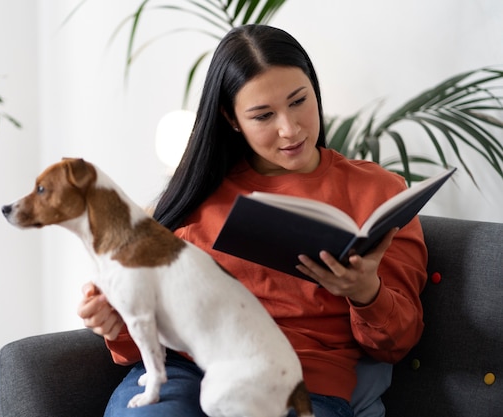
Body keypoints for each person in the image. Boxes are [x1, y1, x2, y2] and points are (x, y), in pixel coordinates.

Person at [78, 24, 427, 417]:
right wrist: (113, 317)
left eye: (299, 101)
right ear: (231, 118)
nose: (290, 129)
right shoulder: (195, 194)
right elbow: (139, 330)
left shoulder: (379, 192)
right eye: (263, 115)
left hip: (300, 384)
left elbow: (398, 341)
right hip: (184, 367)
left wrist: (366, 293)